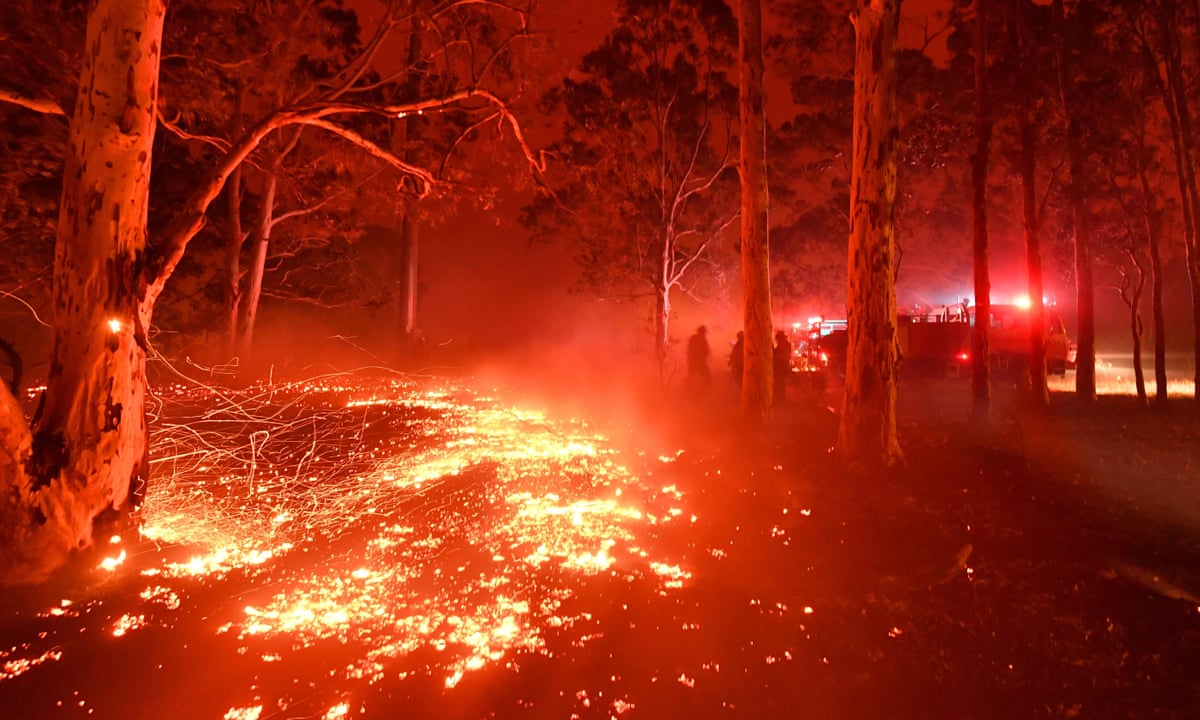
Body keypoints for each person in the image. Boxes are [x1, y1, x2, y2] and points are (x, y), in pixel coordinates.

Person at [687, 325, 711, 395]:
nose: (704, 333)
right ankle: (707, 392)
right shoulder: (702, 339)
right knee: (706, 377)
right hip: (699, 362)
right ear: (702, 332)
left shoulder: (693, 338)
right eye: (704, 332)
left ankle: (690, 392)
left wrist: (690, 360)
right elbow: (706, 350)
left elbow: (689, 350)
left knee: (691, 377)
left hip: (693, 362)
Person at [773, 329, 792, 405]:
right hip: (782, 368)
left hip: (780, 368)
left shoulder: (783, 346)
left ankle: (781, 401)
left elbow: (780, 357)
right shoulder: (786, 345)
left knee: (779, 385)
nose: (777, 341)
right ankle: (781, 400)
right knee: (780, 385)